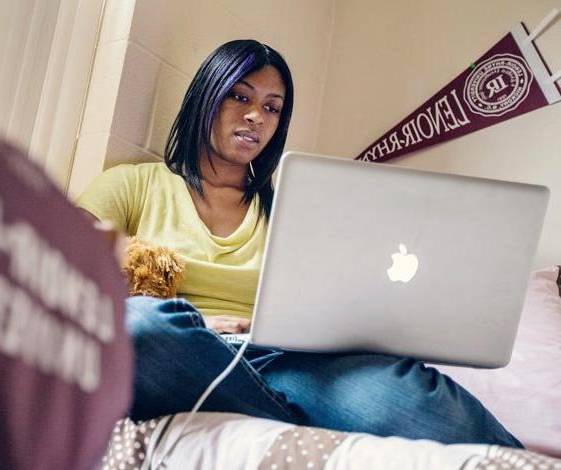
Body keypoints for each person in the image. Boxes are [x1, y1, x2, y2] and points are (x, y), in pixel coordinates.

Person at [76, 39, 521, 447]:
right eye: (241, 96)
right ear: (206, 97)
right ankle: (286, 421)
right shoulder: (131, 185)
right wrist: (203, 323)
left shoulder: (292, 209)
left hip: (290, 363)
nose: (256, 116)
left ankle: (275, 417)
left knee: (425, 402)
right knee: (139, 324)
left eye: (273, 108)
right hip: (194, 352)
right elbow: (69, 280)